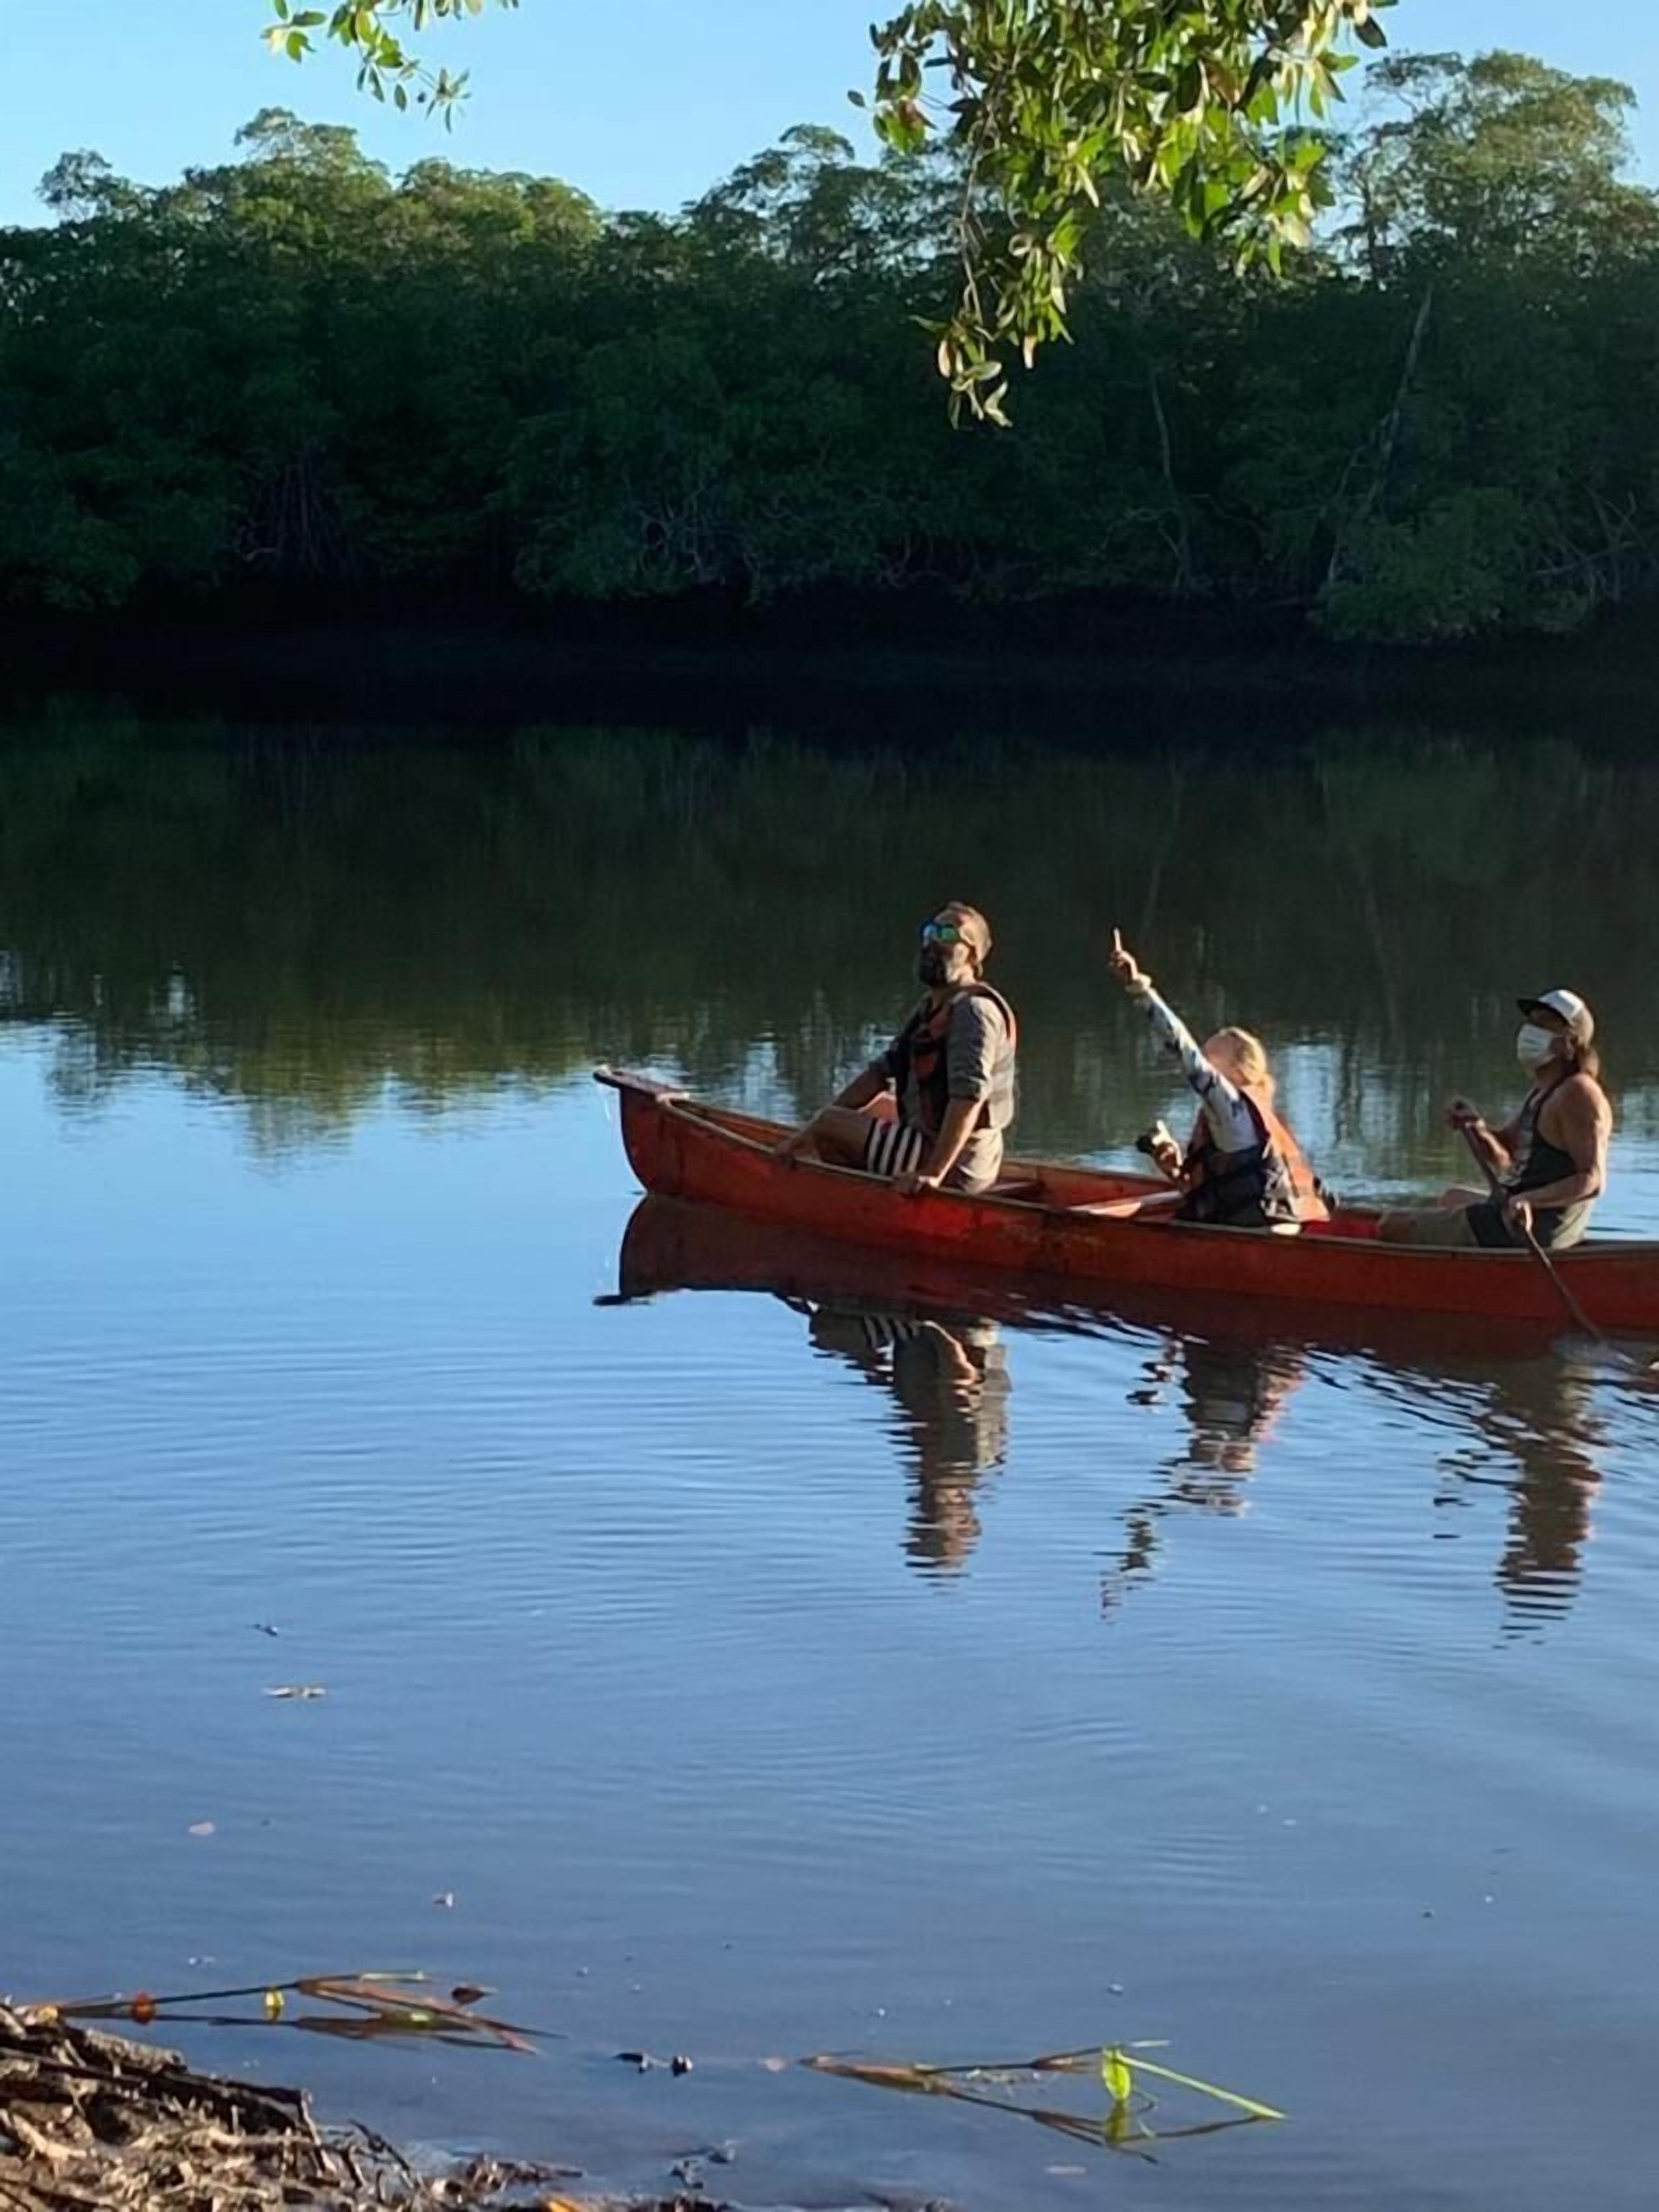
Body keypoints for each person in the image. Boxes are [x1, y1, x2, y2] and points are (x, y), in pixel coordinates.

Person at [774, 901, 1017, 1196]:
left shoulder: (973, 1013)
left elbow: (968, 1098)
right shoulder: (931, 1007)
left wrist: (933, 1174)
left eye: (949, 936)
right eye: (931, 932)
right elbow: (880, 1073)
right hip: (937, 1147)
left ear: (973, 956)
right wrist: (806, 1133)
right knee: (875, 1108)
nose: (933, 943)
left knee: (830, 1126)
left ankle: (865, 1201)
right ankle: (861, 1182)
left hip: (960, 1168)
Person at [1107, 929, 1328, 1230]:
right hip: (1269, 1227)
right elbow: (1218, 1191)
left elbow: (1182, 1048)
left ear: (1238, 1070)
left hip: (1257, 1237)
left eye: (1212, 1056)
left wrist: (1138, 988)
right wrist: (1174, 1169)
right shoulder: (1252, 1116)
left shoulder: (1233, 1106)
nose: (1204, 1060)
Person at [1377, 988, 1610, 1249]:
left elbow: (1592, 1180)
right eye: (1531, 1021)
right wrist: (1476, 1127)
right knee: (1451, 1198)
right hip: (1514, 1213)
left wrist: (1530, 1200)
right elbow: (1505, 1156)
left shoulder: (1578, 1093)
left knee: (1391, 1226)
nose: (1531, 1030)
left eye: (1544, 1024)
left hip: (1534, 1230)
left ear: (1569, 1041)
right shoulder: (1543, 1090)